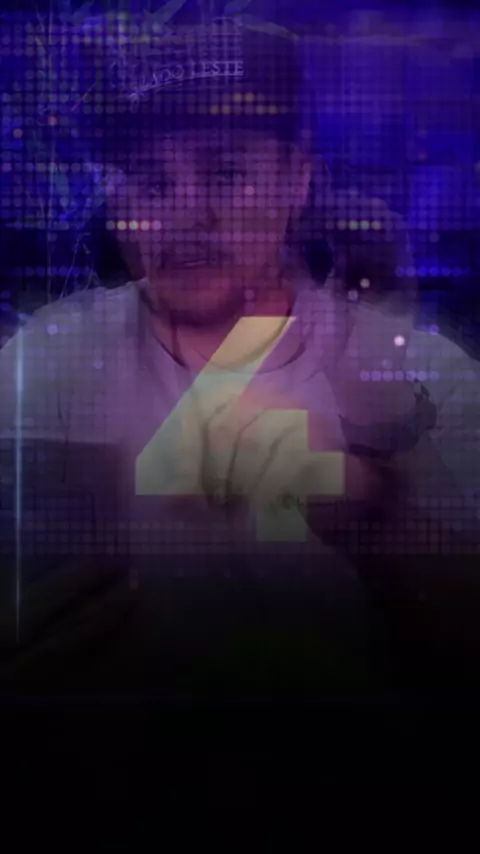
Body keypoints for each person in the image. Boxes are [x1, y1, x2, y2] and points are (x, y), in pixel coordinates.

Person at [1, 15, 479, 697]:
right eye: (151, 182)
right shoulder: (53, 361)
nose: (184, 215)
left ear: (296, 178)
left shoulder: (421, 376)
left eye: (226, 173)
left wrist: (371, 504)